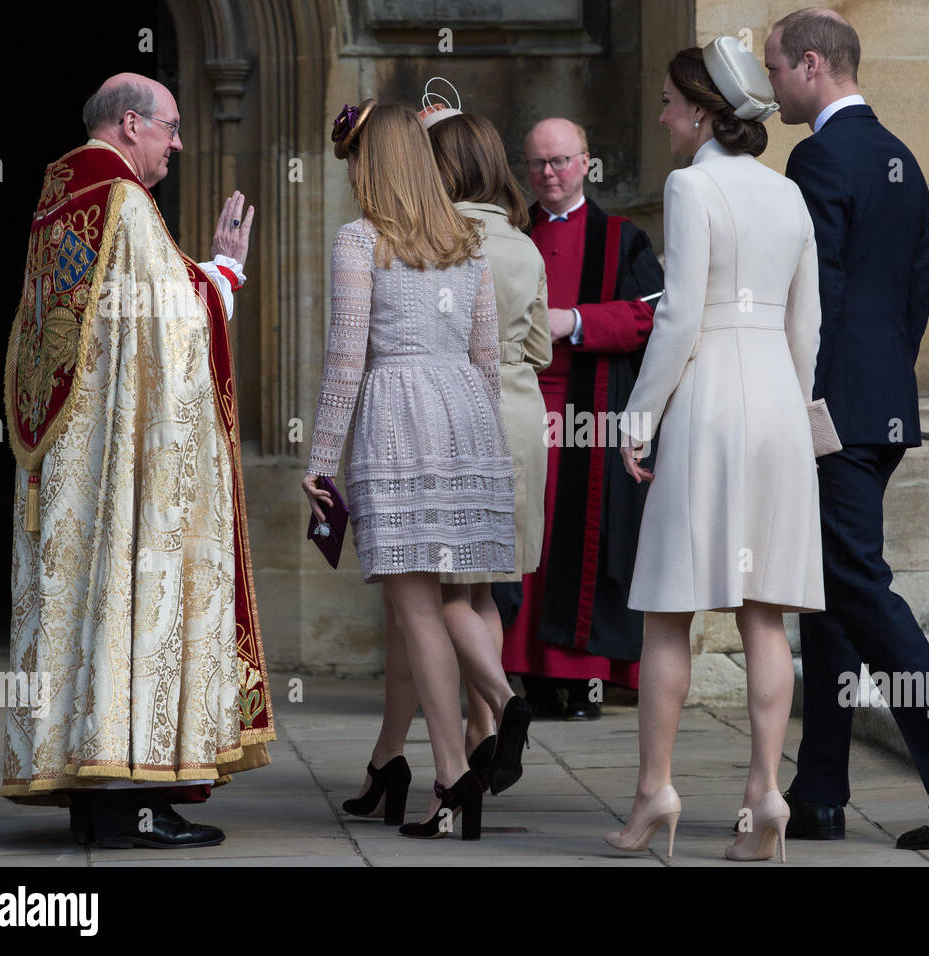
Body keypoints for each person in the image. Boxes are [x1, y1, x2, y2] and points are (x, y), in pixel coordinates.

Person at [1, 72, 274, 849]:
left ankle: (98, 799)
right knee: (128, 600)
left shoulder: (59, 198)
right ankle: (136, 801)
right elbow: (172, 324)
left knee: (92, 614)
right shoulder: (119, 201)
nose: (179, 142)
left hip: (73, 468)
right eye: (171, 127)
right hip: (121, 467)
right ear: (130, 123)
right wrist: (225, 272)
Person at [766, 8, 929, 849]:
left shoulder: (817, 156)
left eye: (775, 71)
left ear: (811, 66)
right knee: (831, 594)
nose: (771, 88)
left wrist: (808, 406)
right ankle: (821, 794)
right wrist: (878, 393)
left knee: (856, 587)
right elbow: (914, 299)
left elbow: (816, 302)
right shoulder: (901, 157)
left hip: (832, 410)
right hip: (883, 406)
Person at [606, 38, 822, 863]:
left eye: (668, 101)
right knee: (763, 609)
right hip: (775, 402)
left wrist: (638, 416)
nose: (661, 115)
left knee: (669, 609)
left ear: (700, 112)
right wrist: (793, 410)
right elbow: (808, 325)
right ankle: (766, 793)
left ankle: (654, 789)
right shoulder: (788, 194)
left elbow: (680, 313)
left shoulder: (690, 186)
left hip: (709, 406)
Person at [302, 101, 530, 840]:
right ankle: (485, 720)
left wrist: (320, 460)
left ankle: (455, 770)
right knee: (454, 596)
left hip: (398, 414)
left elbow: (346, 356)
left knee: (415, 608)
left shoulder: (359, 239)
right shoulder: (467, 242)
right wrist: (481, 445)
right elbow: (488, 360)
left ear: (373, 164)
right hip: (465, 414)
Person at [501, 116, 664, 720]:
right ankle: (529, 677)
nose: (549, 173)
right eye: (538, 163)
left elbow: (652, 317)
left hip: (590, 408)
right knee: (530, 543)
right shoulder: (510, 232)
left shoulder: (622, 238)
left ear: (586, 163)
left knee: (582, 539)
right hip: (521, 405)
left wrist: (577, 322)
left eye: (561, 161)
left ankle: (581, 680)